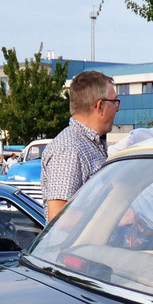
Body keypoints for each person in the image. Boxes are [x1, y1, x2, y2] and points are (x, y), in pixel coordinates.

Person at [41, 70, 119, 220]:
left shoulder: (90, 144)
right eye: (114, 102)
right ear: (100, 106)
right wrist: (115, 217)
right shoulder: (69, 149)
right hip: (76, 245)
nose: (117, 108)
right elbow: (58, 217)